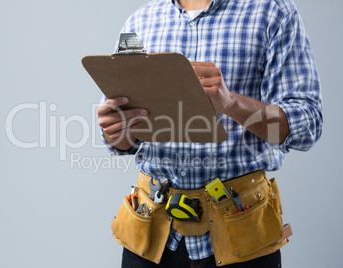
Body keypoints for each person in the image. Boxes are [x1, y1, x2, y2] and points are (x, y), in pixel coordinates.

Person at [97, 0, 323, 267]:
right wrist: (116, 132)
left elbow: (307, 125)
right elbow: (121, 140)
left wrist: (231, 103)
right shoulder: (141, 20)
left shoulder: (273, 12)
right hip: (150, 235)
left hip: (240, 236)